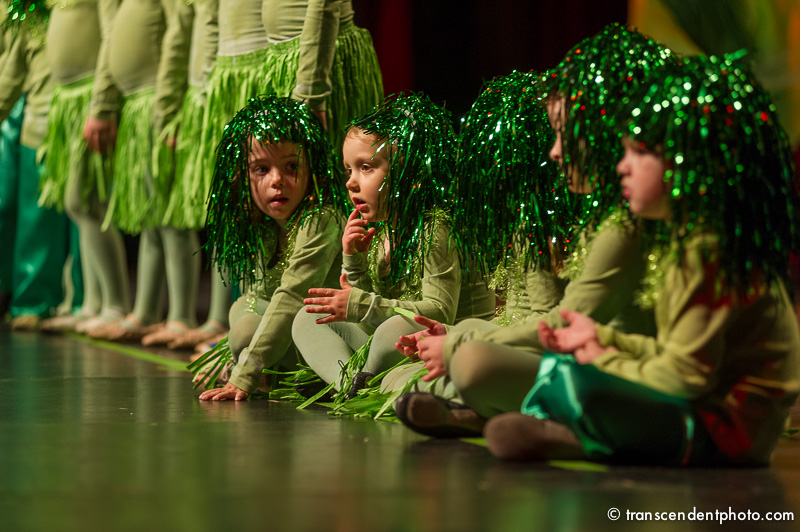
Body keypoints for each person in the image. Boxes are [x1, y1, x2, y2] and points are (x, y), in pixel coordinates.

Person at [486, 54, 800, 466]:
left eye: (638, 152)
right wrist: (603, 339)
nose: (622, 167)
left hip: (722, 432)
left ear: (687, 160)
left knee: (572, 377)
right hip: (705, 410)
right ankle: (569, 433)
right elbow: (675, 352)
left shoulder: (708, 250)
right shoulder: (691, 239)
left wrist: (602, 357)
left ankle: (569, 435)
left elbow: (684, 377)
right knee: (566, 368)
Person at [391, 24, 673, 437]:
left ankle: (526, 421)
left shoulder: (622, 228)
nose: (555, 152)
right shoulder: (604, 220)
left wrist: (457, 345)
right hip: (589, 363)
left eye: (564, 135)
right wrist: (456, 335)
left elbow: (561, 322)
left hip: (615, 380)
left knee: (471, 363)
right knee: (448, 354)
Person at [292, 93, 495, 398]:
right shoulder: (384, 229)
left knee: (394, 329)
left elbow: (439, 313)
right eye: (348, 170)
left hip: (439, 343)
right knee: (307, 315)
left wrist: (360, 304)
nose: (350, 182)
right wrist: (354, 262)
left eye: (366, 167)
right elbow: (373, 308)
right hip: (390, 345)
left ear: (405, 171)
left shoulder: (437, 227)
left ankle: (356, 379)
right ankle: (351, 384)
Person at [197, 96, 346, 402]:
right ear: (244, 176)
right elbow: (260, 296)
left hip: (329, 334)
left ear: (312, 167)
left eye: (291, 166)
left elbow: (291, 296)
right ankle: (258, 367)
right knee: (244, 306)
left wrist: (244, 373)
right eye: (261, 169)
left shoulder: (322, 220)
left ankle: (277, 373)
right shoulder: (265, 225)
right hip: (288, 328)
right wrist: (226, 355)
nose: (277, 180)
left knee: (248, 330)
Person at [87, 0, 201, 343]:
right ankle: (145, 312)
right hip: (137, 105)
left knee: (171, 216)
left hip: (158, 102)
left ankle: (181, 316)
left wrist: (168, 105)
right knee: (151, 217)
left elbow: (179, 33)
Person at [37, 0, 131, 335]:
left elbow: (111, 35)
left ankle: (115, 304)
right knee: (78, 205)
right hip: (68, 99)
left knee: (88, 202)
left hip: (91, 99)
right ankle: (92, 303)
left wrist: (102, 103)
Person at [0, 1, 81, 330]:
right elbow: (12, 72)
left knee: (86, 218)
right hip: (39, 124)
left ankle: (84, 302)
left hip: (80, 123)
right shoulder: (25, 13)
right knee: (36, 216)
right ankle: (35, 300)